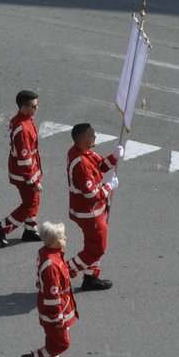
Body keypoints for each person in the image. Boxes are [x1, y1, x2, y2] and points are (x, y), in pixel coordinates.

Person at [20, 221, 78, 357]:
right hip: (54, 310)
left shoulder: (47, 253)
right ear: (53, 242)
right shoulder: (52, 265)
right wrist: (57, 316)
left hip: (53, 306)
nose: (65, 237)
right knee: (61, 343)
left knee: (52, 339)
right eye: (61, 236)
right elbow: (52, 296)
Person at [66, 123, 120, 292]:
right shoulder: (80, 163)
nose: (95, 137)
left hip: (93, 210)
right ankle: (64, 272)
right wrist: (109, 187)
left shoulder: (83, 152)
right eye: (92, 136)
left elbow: (101, 165)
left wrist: (114, 157)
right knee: (97, 248)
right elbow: (91, 195)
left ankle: (91, 278)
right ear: (83, 141)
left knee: (93, 245)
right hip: (88, 213)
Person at [0, 89, 43, 246]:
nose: (37, 108)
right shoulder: (22, 128)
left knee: (34, 200)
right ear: (24, 106)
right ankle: (2, 227)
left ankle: (30, 229)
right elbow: (24, 158)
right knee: (29, 204)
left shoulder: (25, 119)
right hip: (24, 174)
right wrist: (33, 181)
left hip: (29, 170)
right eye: (34, 105)